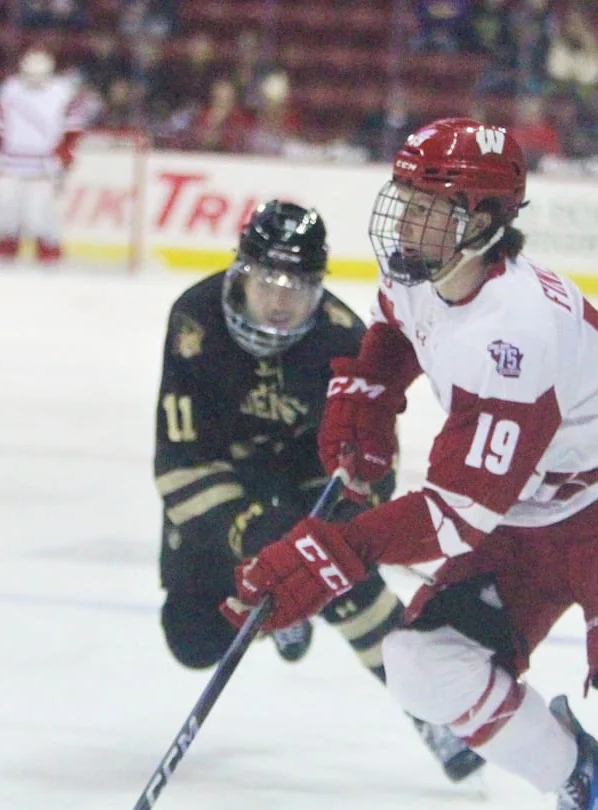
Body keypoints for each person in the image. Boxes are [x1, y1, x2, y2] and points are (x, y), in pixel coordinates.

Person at [222, 120, 598, 810]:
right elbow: (396, 327)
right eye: (404, 197)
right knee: (419, 665)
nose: (407, 221)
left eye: (430, 207)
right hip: (523, 509)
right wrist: (370, 391)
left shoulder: (512, 334)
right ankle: (592, 784)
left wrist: (336, 552)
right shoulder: (426, 268)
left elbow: (456, 515)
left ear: (484, 221)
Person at [152, 200, 484, 783]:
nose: (281, 301)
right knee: (193, 638)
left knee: (348, 585)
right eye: (269, 282)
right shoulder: (195, 322)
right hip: (225, 481)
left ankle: (430, 710)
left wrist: (335, 536)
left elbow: (371, 472)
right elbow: (181, 464)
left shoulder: (341, 339)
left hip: (306, 481)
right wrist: (255, 532)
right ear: (240, 273)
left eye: (299, 287)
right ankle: (286, 610)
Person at [0, 48, 87, 265]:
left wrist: (63, 158)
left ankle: (48, 248)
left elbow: (72, 131)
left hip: (44, 164)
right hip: (9, 162)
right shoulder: (10, 90)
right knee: (5, 207)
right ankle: (6, 244)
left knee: (40, 213)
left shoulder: (62, 92)